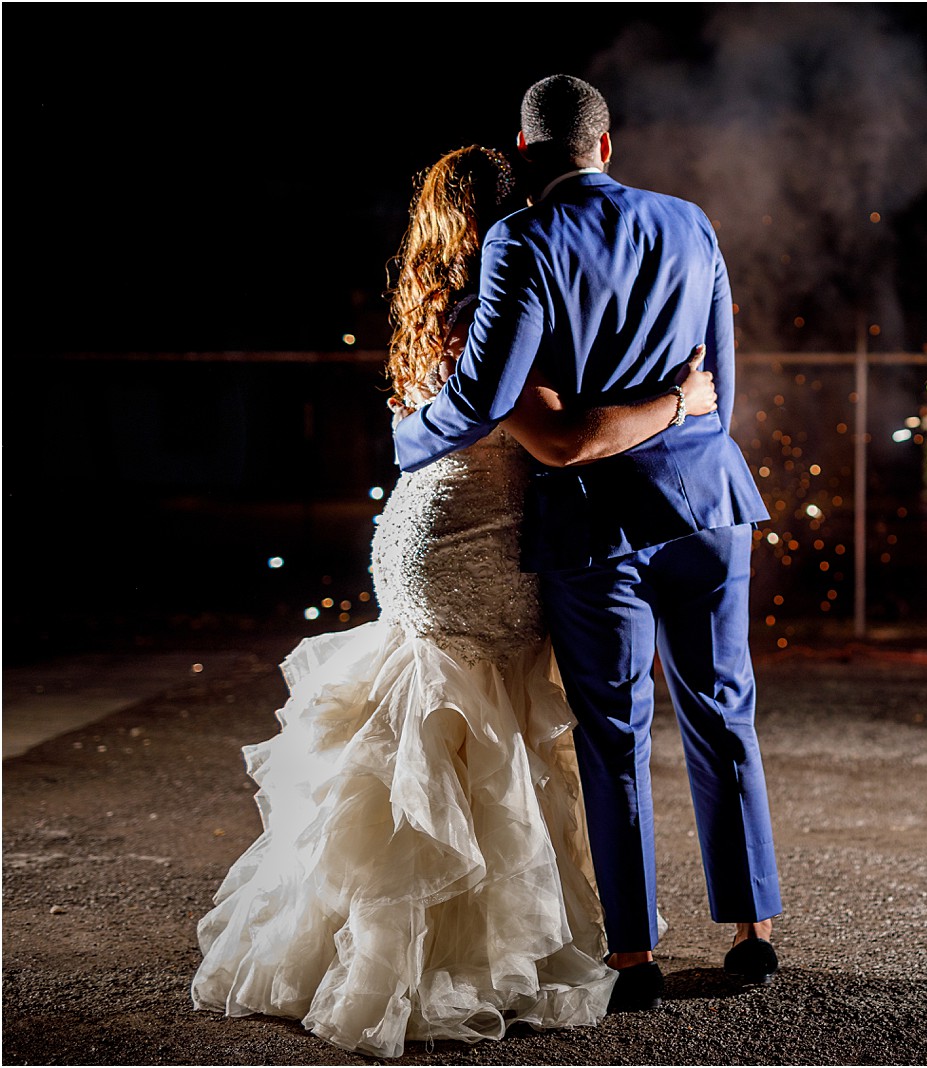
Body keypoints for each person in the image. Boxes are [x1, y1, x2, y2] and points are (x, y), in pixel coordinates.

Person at [189, 145, 718, 1058]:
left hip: (422, 532)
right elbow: (559, 440)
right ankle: (450, 965)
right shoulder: (496, 306)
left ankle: (396, 945)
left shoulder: (436, 303)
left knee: (444, 730)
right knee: (473, 729)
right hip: (473, 545)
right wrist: (680, 401)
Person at [393, 75, 782, 1013]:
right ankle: (752, 931)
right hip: (707, 502)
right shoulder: (691, 222)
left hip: (596, 519)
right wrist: (680, 418)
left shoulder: (520, 239)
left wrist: (410, 438)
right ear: (607, 145)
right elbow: (719, 391)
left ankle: (637, 955)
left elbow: (485, 398)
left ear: (525, 154)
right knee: (723, 711)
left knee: (613, 735)